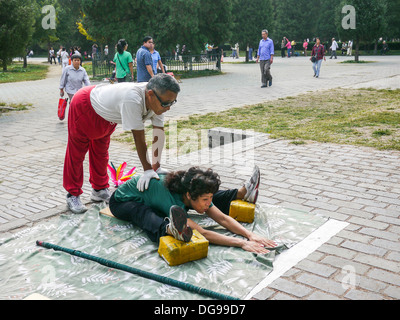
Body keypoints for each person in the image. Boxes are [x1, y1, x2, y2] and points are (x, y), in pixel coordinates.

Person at [63, 73, 180, 214]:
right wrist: (147, 170)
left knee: (101, 152)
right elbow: (139, 138)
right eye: (167, 103)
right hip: (85, 106)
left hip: (106, 115)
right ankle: (73, 194)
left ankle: (99, 190)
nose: (168, 107)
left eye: (172, 102)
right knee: (77, 153)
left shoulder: (159, 102)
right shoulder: (133, 99)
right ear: (150, 94)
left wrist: (156, 166)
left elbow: (158, 134)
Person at [109, 166, 277, 253]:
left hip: (163, 197)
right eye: (206, 200)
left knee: (207, 198)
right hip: (122, 202)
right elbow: (202, 232)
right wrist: (242, 243)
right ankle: (169, 228)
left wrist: (249, 234)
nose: (208, 203)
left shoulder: (191, 190)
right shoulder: (169, 199)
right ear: (188, 195)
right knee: (146, 214)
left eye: (209, 199)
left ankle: (241, 193)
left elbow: (223, 219)